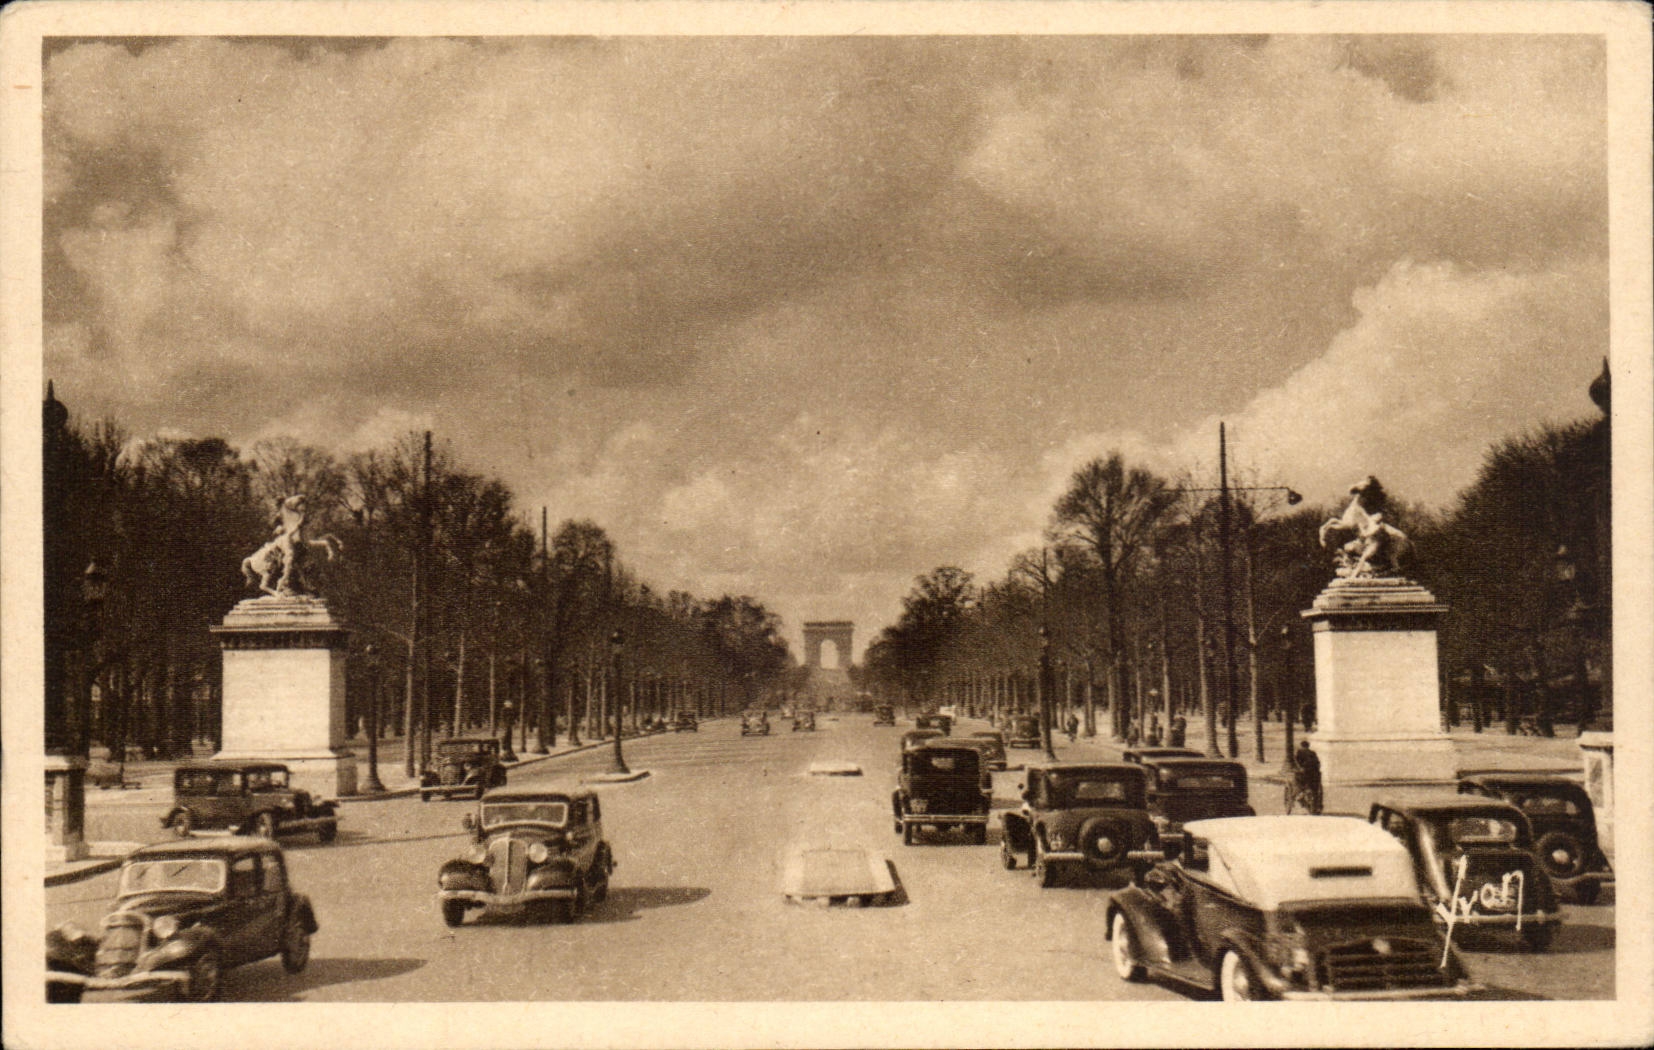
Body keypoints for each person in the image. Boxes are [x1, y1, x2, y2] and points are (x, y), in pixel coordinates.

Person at [1293, 739, 1323, 814]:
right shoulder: (1313, 753)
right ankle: (1317, 806)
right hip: (1315, 774)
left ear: (1301, 746)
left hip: (1304, 774)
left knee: (1297, 780)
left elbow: (1297, 763)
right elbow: (1318, 763)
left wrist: (1300, 769)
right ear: (1308, 746)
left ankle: (1300, 794)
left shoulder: (1299, 752)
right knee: (1316, 790)